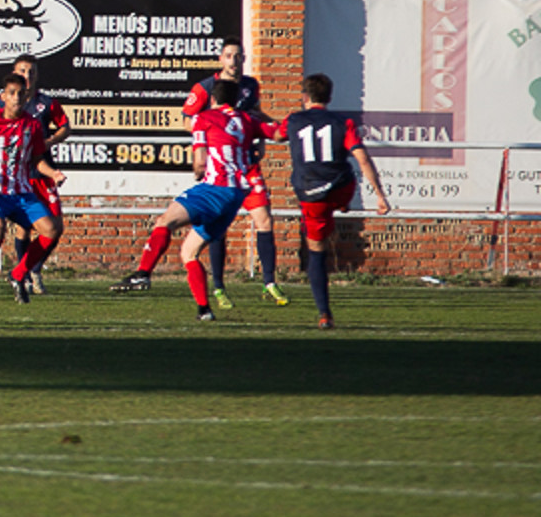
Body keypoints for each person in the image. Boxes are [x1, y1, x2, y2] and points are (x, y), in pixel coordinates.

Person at [112, 78, 267, 320]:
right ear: (236, 100)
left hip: (214, 188)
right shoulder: (247, 120)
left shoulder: (204, 118)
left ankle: (143, 272)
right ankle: (204, 310)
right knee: (189, 252)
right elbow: (275, 131)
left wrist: (198, 172)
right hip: (237, 195)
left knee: (165, 221)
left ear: (212, 99)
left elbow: (199, 163)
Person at [283, 73, 392, 329]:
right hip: (341, 188)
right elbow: (362, 158)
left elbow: (274, 133)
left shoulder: (293, 121)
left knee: (316, 249)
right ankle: (340, 207)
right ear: (329, 97)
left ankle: (324, 314)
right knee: (343, 181)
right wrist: (379, 195)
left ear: (305, 97)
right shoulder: (343, 123)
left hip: (311, 194)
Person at [183, 41, 283, 308]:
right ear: (221, 59)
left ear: (244, 58)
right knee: (218, 227)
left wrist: (262, 137)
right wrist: (210, 144)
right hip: (220, 169)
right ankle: (218, 287)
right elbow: (188, 119)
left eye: (238, 56)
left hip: (247, 165)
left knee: (264, 219)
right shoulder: (206, 88)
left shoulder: (250, 85)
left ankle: (269, 284)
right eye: (229, 56)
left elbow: (256, 116)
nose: (234, 61)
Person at [0, 74, 64, 304]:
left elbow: (37, 160)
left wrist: (53, 173)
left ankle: (18, 274)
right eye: (12, 93)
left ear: (27, 97)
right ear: (3, 96)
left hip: (22, 191)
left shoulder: (32, 125)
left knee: (51, 229)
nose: (17, 98)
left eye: (21, 94)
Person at [7, 53, 71, 292]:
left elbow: (66, 127)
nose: (27, 75)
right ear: (15, 73)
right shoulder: (4, 104)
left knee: (55, 228)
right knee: (23, 226)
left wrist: (51, 141)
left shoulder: (46, 102)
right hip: (20, 175)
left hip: (44, 171)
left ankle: (32, 267)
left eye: (32, 71)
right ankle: (22, 276)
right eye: (23, 71)